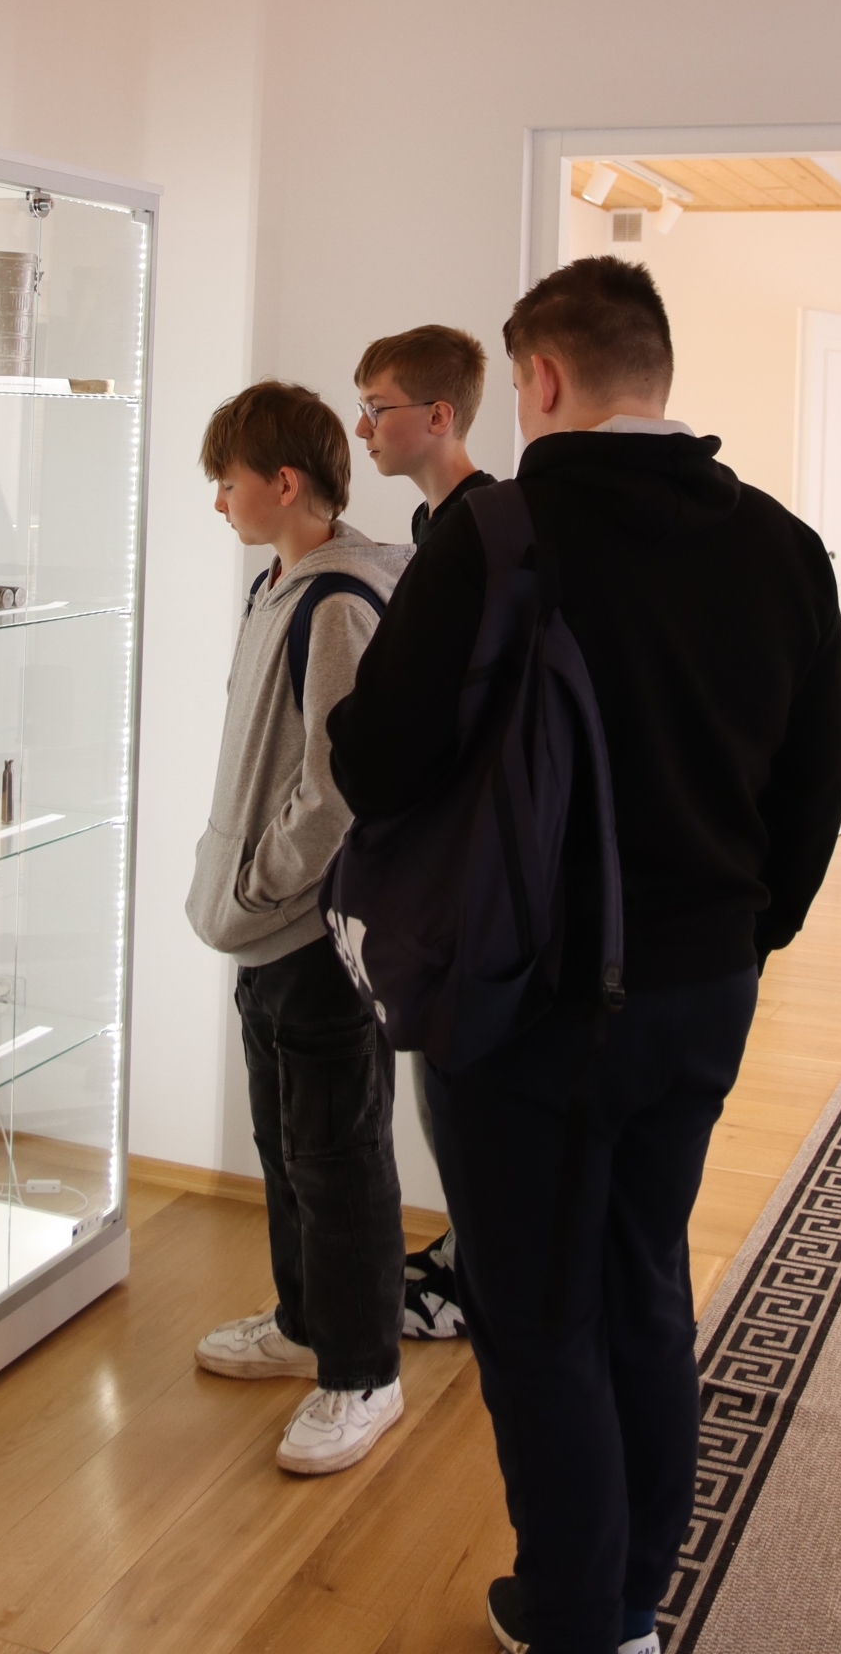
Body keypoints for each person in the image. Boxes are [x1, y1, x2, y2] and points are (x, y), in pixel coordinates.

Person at [328, 258, 841, 1653]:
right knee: (644, 1283)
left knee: (537, 1314)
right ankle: (629, 1600)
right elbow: (814, 794)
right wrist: (737, 936)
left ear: (543, 378)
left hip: (528, 999)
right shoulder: (783, 544)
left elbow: (375, 761)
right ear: (655, 371)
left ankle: (574, 1618)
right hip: (704, 994)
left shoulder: (497, 535)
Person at [187, 379, 412, 1476]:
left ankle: (363, 1373)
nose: (217, 498)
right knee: (283, 1146)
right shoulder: (273, 585)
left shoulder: (337, 605)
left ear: (284, 483)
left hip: (312, 935)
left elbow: (335, 788)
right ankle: (303, 1325)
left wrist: (265, 881)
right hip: (260, 927)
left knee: (338, 1157)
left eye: (227, 479)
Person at [353, 323, 495, 1342]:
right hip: (440, 855)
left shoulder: (482, 531)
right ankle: (463, 1255)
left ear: (438, 416)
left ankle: (476, 1281)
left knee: (460, 1090)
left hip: (467, 864)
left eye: (378, 408)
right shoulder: (435, 525)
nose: (363, 427)